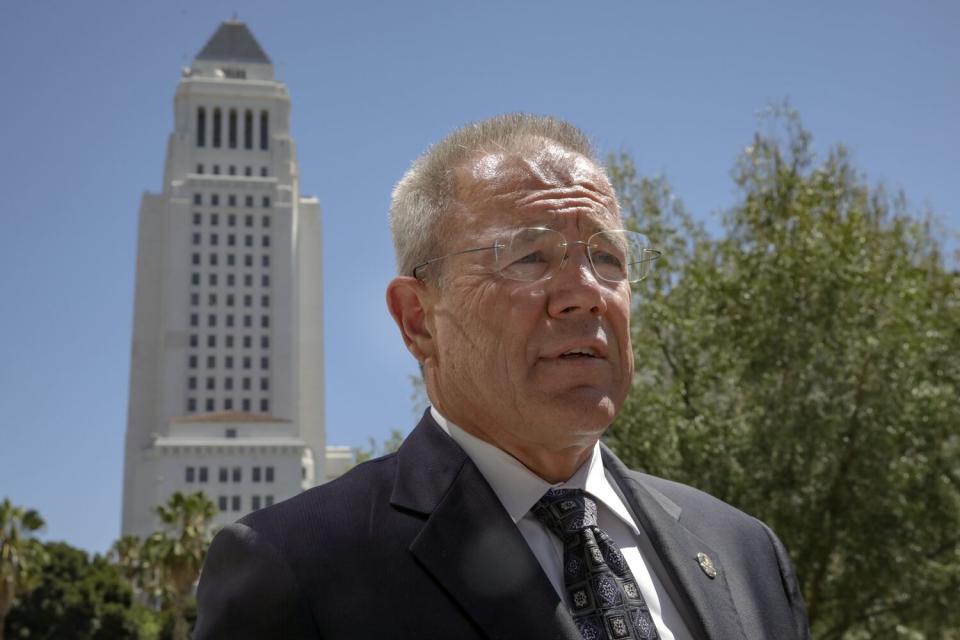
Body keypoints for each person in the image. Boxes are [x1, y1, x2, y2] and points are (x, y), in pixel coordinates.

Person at [194, 114, 810, 640]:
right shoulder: (297, 567)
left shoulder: (745, 552)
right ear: (418, 320)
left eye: (607, 258)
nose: (585, 294)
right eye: (530, 257)